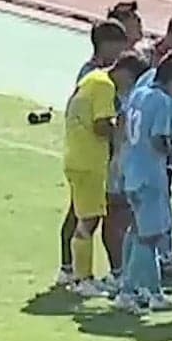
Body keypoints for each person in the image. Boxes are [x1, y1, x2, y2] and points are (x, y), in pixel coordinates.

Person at [57, 20, 131, 288]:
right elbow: (101, 124)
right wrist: (121, 133)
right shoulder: (102, 82)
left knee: (82, 214)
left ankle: (73, 271)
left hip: (79, 155)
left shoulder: (90, 77)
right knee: (86, 219)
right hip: (90, 159)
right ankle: (80, 277)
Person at [115, 51, 172, 314]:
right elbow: (157, 139)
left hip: (131, 170)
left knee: (137, 231)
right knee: (148, 237)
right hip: (150, 176)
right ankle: (127, 291)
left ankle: (154, 293)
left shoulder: (139, 92)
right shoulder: (162, 101)